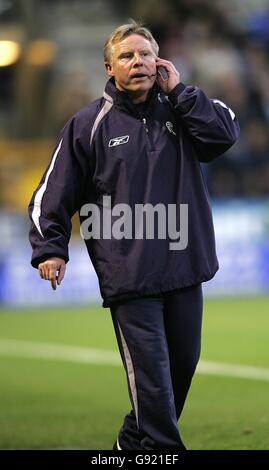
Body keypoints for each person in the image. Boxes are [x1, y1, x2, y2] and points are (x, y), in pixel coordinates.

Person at [28, 20, 240, 450]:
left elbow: (225, 135)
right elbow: (52, 192)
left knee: (181, 368)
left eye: (145, 53)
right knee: (152, 380)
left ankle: (130, 444)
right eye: (126, 56)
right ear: (109, 67)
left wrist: (180, 92)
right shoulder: (88, 123)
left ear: (160, 61)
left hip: (185, 264)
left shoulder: (185, 109)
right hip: (129, 272)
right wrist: (51, 248)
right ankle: (163, 454)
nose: (137, 62)